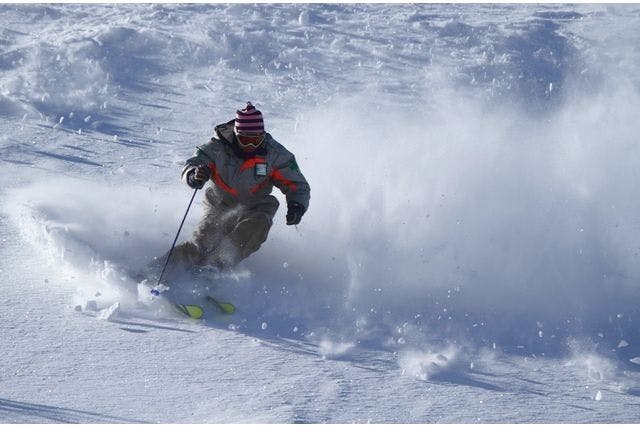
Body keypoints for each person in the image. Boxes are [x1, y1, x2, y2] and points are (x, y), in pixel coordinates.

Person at [159, 102, 310, 279]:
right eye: (246, 139)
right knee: (201, 245)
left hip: (256, 206)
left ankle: (213, 270)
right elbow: (193, 164)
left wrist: (296, 205)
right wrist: (195, 175)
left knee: (251, 230)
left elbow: (297, 184)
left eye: (257, 139)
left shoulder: (275, 155)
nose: (251, 145)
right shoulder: (217, 149)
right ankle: (155, 272)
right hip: (219, 204)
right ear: (236, 135)